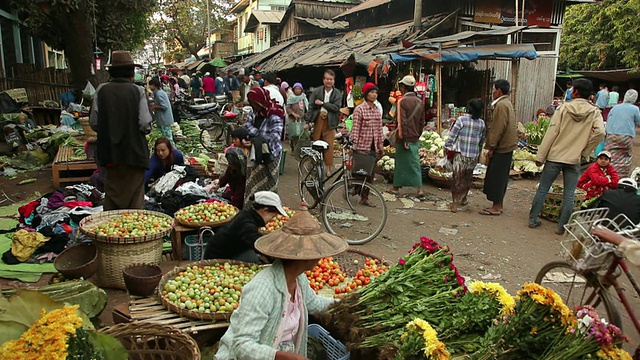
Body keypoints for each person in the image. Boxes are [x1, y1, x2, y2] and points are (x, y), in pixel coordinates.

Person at [214, 206, 348, 360]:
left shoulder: (299, 279)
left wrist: (345, 303)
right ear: (304, 256)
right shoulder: (262, 289)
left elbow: (313, 302)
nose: (320, 256)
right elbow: (241, 345)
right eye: (316, 251)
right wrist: (280, 356)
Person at [529, 78, 605, 234]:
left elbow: (552, 132)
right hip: (574, 158)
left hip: (555, 156)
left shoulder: (563, 109)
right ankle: (561, 227)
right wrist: (585, 150)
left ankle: (533, 219)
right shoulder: (594, 111)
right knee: (569, 194)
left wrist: (540, 156)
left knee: (543, 189)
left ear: (575, 91)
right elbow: (600, 133)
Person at [89, 50, 152, 210]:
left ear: (111, 72)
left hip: (109, 154)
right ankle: (135, 233)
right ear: (131, 73)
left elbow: (94, 122)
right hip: (134, 154)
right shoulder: (137, 91)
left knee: (112, 192)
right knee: (135, 195)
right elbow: (145, 124)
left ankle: (112, 231)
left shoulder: (101, 90)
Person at [203, 191, 288, 263]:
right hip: (216, 258)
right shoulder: (246, 224)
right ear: (265, 210)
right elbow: (258, 245)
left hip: (223, 251)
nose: (271, 220)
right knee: (252, 259)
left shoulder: (246, 215)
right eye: (272, 217)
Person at [480, 79, 518, 216]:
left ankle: (496, 207)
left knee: (496, 177)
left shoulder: (501, 105)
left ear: (499, 91)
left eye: (493, 90)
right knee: (500, 177)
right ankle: (497, 204)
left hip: (502, 147)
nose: (492, 93)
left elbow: (498, 128)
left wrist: (491, 146)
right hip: (507, 146)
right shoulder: (507, 103)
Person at [243, 87, 285, 208]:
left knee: (269, 183)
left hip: (271, 153)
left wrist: (256, 139)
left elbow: (275, 136)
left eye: (256, 103)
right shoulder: (253, 112)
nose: (254, 106)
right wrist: (258, 139)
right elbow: (247, 126)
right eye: (252, 103)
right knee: (253, 182)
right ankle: (251, 209)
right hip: (255, 153)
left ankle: (270, 210)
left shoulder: (275, 113)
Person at [445, 98, 486, 213]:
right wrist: (478, 152)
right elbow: (481, 141)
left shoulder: (461, 120)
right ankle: (463, 198)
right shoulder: (482, 123)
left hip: (461, 154)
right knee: (467, 178)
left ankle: (454, 203)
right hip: (473, 156)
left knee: (457, 178)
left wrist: (447, 146)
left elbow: (452, 136)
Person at [389, 75, 425, 198]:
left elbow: (402, 121)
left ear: (404, 88)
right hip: (415, 136)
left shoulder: (402, 101)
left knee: (401, 164)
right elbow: (422, 122)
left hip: (404, 137)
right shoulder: (420, 102)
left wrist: (403, 138)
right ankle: (417, 188)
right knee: (414, 163)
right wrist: (417, 134)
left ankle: (397, 187)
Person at [350, 82, 384, 206]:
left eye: (375, 92)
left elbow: (379, 129)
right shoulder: (359, 109)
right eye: (371, 92)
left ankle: (365, 197)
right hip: (362, 146)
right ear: (366, 94)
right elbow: (355, 128)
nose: (374, 95)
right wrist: (353, 146)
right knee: (360, 172)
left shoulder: (376, 110)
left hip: (373, 147)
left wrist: (381, 145)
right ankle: (355, 189)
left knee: (370, 174)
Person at [308, 69, 342, 174]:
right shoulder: (317, 91)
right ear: (323, 80)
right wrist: (307, 121)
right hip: (318, 120)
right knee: (316, 143)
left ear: (334, 81)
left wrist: (322, 103)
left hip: (330, 121)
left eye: (331, 79)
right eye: (327, 79)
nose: (329, 81)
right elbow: (311, 106)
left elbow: (336, 107)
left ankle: (328, 167)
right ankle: (314, 166)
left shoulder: (337, 93)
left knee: (329, 145)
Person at [604, 89, 640, 178]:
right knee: (625, 155)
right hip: (626, 136)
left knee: (611, 155)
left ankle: (609, 175)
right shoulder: (635, 109)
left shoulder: (615, 107)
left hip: (611, 135)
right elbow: (638, 122)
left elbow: (609, 119)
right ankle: (621, 177)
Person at [218, 128, 251, 208]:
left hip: (242, 185)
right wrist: (219, 183)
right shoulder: (234, 152)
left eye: (235, 139)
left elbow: (241, 189)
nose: (233, 141)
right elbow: (228, 174)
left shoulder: (248, 153)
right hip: (235, 183)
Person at [148, 78, 175, 144]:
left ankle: (173, 152)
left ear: (154, 85)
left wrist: (154, 106)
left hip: (164, 119)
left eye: (150, 85)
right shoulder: (160, 92)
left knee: (168, 139)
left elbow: (164, 106)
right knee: (166, 138)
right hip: (163, 119)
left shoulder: (159, 94)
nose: (149, 87)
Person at [285, 83, 309, 153]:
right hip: (293, 119)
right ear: (293, 90)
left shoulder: (303, 97)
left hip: (302, 119)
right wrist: (293, 114)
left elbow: (307, 107)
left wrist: (306, 114)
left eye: (299, 89)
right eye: (296, 89)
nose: (297, 90)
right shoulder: (291, 98)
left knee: (302, 134)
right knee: (294, 134)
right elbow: (288, 108)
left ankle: (301, 149)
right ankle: (293, 148)